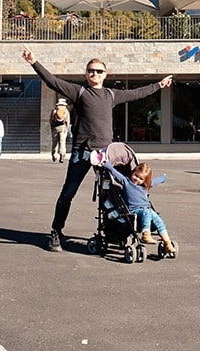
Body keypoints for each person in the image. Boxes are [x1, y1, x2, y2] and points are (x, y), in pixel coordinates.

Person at [22, 46, 173, 252]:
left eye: (99, 71)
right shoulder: (80, 92)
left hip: (107, 154)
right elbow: (52, 81)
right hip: (82, 152)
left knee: (121, 190)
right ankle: (56, 233)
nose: (94, 74)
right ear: (86, 73)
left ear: (105, 74)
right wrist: (33, 62)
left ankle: (126, 230)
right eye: (91, 70)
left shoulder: (111, 94)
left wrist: (159, 85)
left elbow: (137, 93)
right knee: (68, 193)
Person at [90, 153, 176, 255]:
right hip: (133, 210)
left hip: (145, 209)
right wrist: (107, 164)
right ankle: (146, 234)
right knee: (147, 212)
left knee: (158, 220)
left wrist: (163, 178)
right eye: (135, 175)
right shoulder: (126, 182)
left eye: (141, 179)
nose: (137, 179)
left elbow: (155, 181)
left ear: (144, 180)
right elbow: (115, 173)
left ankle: (167, 243)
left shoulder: (144, 186)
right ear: (133, 172)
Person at [50, 98, 71, 163]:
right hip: (63, 128)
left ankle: (54, 155)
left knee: (54, 143)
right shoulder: (66, 111)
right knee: (62, 143)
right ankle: (62, 156)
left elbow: (51, 120)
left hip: (55, 128)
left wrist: (52, 127)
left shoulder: (54, 110)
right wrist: (66, 128)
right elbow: (68, 121)